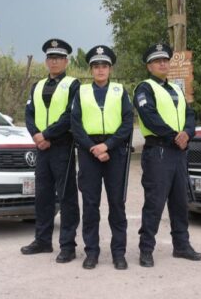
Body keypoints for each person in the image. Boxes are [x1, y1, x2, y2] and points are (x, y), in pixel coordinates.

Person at [134, 42, 201, 267]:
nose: (162, 63)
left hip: (179, 152)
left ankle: (181, 246)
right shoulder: (144, 88)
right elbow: (149, 117)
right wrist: (175, 135)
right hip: (159, 152)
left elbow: (190, 116)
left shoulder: (176, 89)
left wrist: (187, 133)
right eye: (157, 61)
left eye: (165, 60)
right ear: (149, 66)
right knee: (155, 202)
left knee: (180, 202)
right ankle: (146, 249)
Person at [70, 45, 133, 270]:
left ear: (110, 68)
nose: (100, 70)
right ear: (91, 69)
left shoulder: (120, 91)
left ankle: (119, 253)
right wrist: (93, 148)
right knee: (90, 205)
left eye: (104, 65)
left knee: (117, 204)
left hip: (115, 151)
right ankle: (92, 252)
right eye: (96, 66)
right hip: (89, 153)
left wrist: (107, 145)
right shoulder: (82, 92)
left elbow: (127, 123)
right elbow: (75, 124)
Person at [20, 38, 81, 263]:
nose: (54, 62)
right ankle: (43, 240)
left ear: (66, 61)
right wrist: (37, 135)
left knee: (67, 198)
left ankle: (68, 245)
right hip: (42, 149)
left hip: (62, 147)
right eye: (50, 58)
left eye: (58, 58)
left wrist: (46, 135)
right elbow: (29, 114)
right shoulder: (37, 86)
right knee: (43, 196)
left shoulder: (74, 85)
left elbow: (70, 116)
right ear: (46, 61)